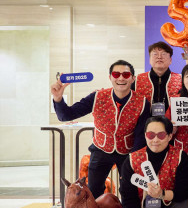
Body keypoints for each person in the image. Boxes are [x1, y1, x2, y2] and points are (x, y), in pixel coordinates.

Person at [51, 60, 150, 200]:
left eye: (126, 74)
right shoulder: (97, 97)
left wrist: (134, 160)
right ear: (110, 77)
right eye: (116, 74)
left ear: (133, 78)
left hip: (127, 151)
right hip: (100, 149)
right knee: (94, 190)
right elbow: (66, 115)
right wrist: (58, 98)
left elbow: (140, 136)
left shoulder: (142, 102)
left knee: (129, 190)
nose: (121, 78)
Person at [134, 41, 182, 116]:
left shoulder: (180, 79)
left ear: (170, 60)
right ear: (149, 60)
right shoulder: (137, 79)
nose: (159, 57)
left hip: (172, 122)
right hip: (145, 123)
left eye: (164, 54)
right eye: (155, 54)